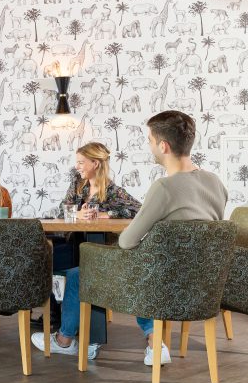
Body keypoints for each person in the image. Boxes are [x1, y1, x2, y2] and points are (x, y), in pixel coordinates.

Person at [32, 111, 228, 366]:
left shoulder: (164, 188)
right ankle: (154, 342)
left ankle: (65, 340)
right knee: (141, 267)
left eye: (149, 140)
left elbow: (126, 242)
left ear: (163, 146)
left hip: (160, 280)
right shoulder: (216, 183)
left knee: (82, 272)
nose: (149, 146)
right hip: (202, 282)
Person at [39, 142, 142, 332]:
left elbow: (138, 210)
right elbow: (60, 211)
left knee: (71, 270)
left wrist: (107, 214)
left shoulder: (112, 191)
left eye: (81, 162)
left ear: (95, 163)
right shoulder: (78, 185)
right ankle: (54, 313)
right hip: (72, 244)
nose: (77, 167)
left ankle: (72, 324)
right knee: (40, 259)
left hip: (98, 247)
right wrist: (77, 214)